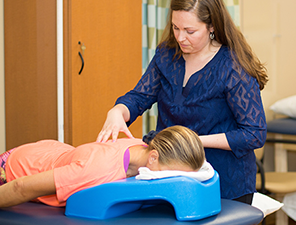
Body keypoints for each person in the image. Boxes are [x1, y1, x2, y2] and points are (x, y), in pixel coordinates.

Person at [96, 0, 268, 205]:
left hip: (224, 183)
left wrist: (191, 141)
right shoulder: (167, 55)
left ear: (211, 26)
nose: (180, 37)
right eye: (176, 28)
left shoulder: (232, 67)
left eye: (189, 31)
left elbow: (254, 133)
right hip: (168, 177)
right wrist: (118, 111)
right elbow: (140, 97)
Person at [0, 125, 205, 214]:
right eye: (173, 173)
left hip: (43, 153)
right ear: (154, 158)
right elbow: (21, 187)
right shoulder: (97, 171)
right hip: (14, 173)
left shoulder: (141, 145)